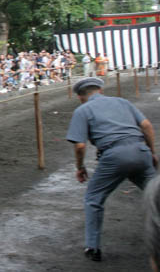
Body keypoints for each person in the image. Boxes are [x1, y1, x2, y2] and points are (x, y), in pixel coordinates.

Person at [66, 77, 157, 262]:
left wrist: (80, 167)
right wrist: (152, 152)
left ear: (80, 97)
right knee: (157, 195)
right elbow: (147, 126)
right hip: (141, 150)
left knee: (94, 199)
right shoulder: (122, 102)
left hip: (114, 156)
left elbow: (80, 146)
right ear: (100, 90)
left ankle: (93, 246)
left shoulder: (83, 110)